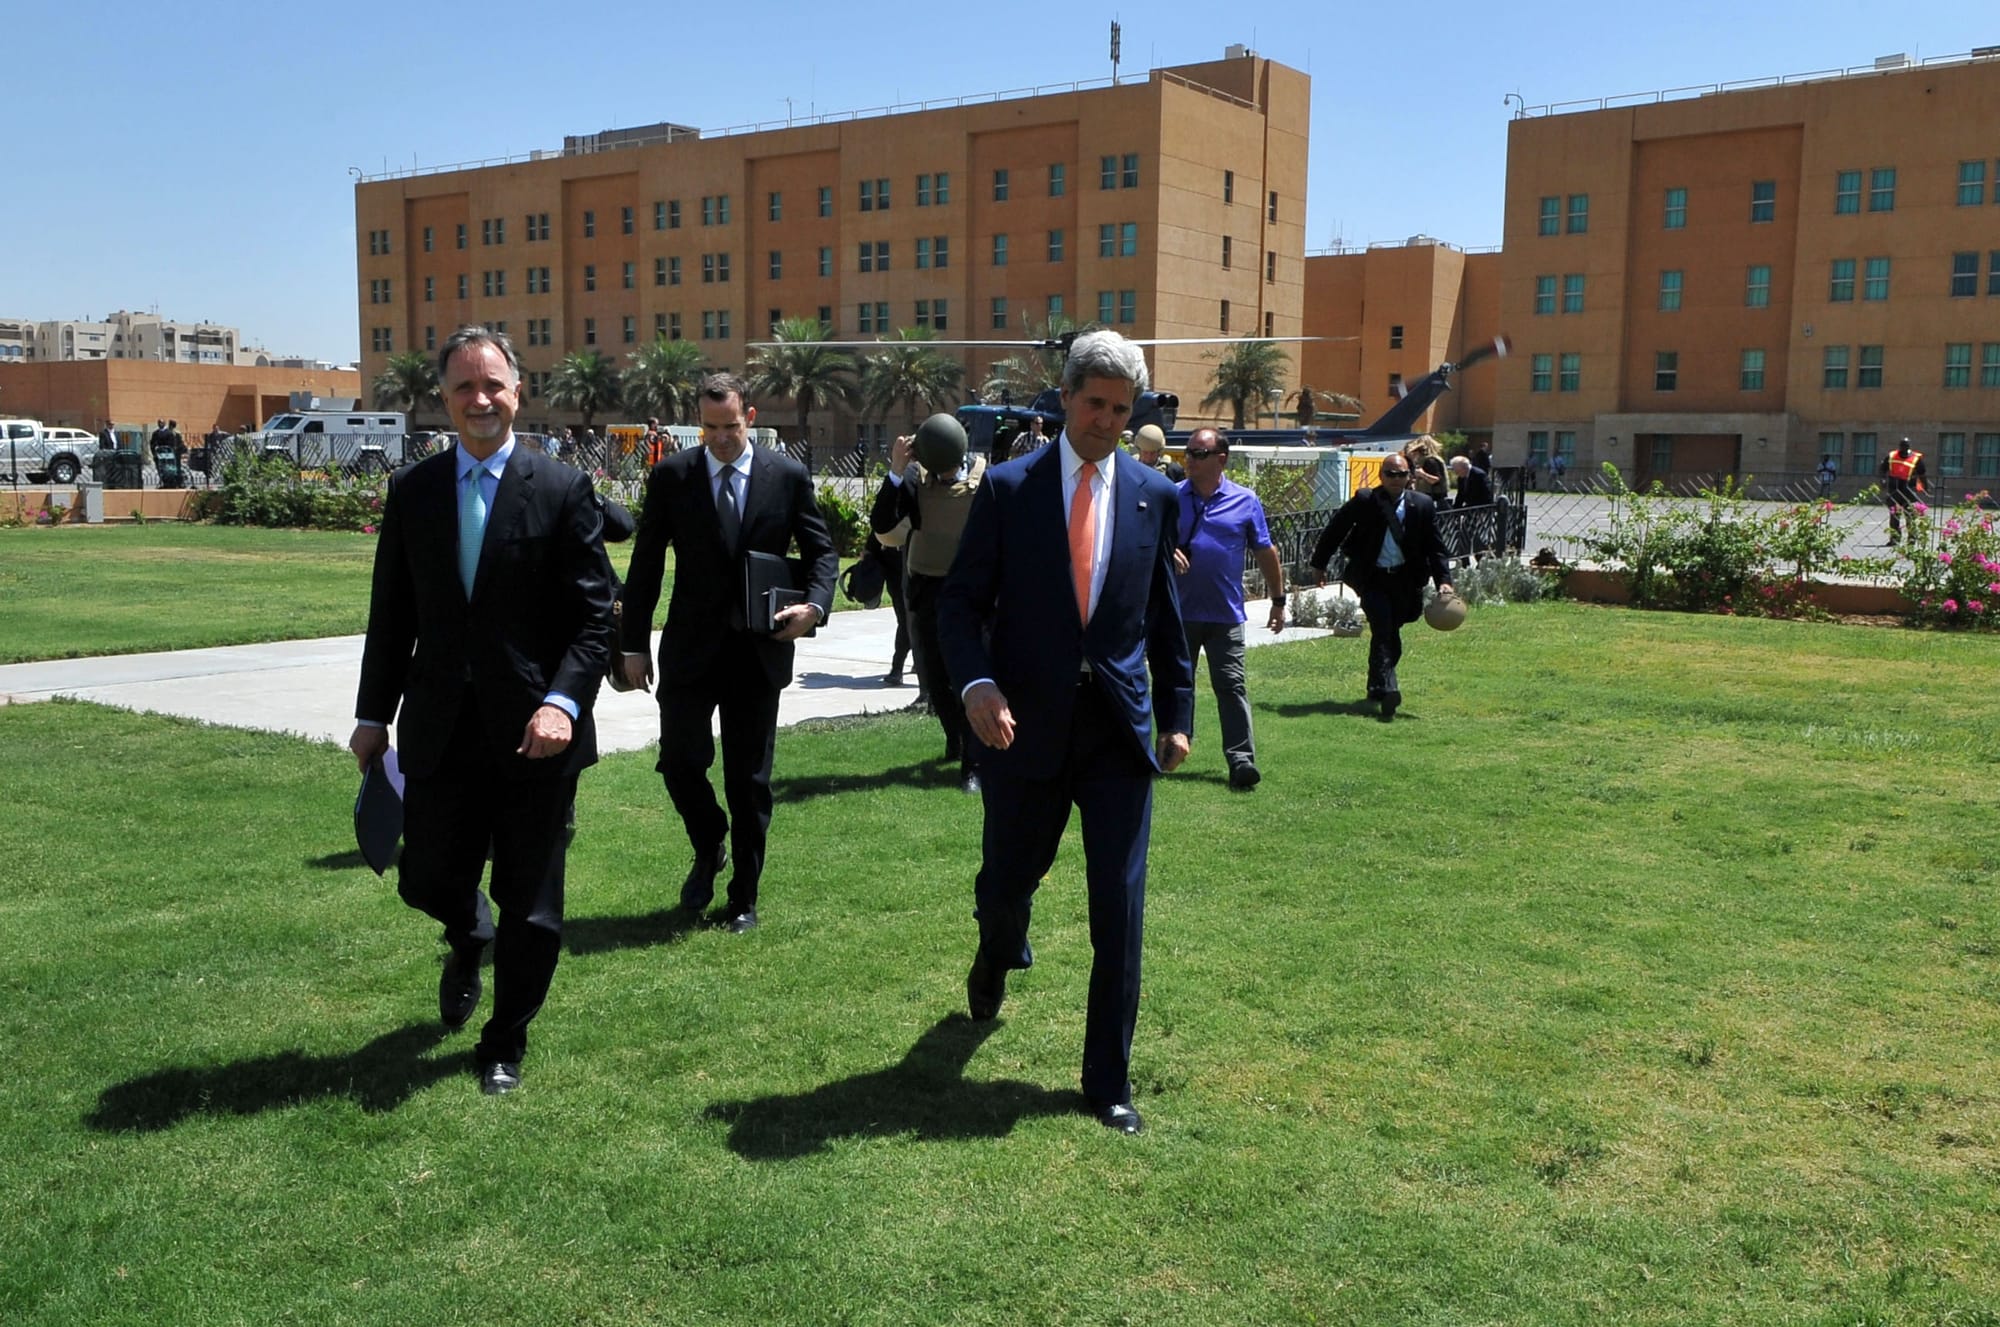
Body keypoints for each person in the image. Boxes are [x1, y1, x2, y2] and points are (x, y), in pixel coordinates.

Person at [938, 329, 1195, 1136]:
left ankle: (1106, 1081)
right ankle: (995, 950)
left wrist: (1179, 715)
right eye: (1095, 404)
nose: (1108, 421)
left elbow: (1164, 618)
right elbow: (958, 604)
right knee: (1007, 879)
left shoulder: (1156, 495)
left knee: (1119, 905)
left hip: (1119, 730)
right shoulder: (1010, 489)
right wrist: (978, 684)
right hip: (1023, 727)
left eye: (1122, 410)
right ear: (1064, 397)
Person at [348, 325, 616, 1096]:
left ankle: (504, 1041)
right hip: (439, 731)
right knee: (426, 876)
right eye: (464, 386)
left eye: (493, 383)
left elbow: (595, 618)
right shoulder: (415, 492)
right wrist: (373, 713)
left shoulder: (562, 489)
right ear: (444, 400)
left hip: (537, 738)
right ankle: (468, 935)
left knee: (532, 907)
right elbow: (391, 614)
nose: (481, 399)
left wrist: (563, 701)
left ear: (518, 390)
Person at [619, 372, 837, 934]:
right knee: (680, 763)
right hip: (690, 651)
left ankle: (744, 896)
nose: (718, 438)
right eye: (708, 427)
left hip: (757, 655)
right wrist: (633, 646)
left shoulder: (785, 477)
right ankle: (709, 840)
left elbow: (821, 553)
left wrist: (814, 607)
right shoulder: (672, 477)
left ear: (752, 418)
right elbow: (645, 567)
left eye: (730, 426)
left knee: (750, 781)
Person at [872, 417, 988, 792]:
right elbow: (883, 523)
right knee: (934, 677)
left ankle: (974, 764)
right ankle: (955, 738)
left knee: (967, 677)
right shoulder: (914, 480)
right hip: (925, 587)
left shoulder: (986, 479)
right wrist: (895, 471)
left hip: (969, 590)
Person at [1173, 428, 1285, 790]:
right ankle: (1172, 749)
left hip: (1225, 616)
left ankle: (1241, 762)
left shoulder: (1245, 500)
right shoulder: (1172, 497)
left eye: (1199, 453)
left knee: (1232, 686)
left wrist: (1278, 600)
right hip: (1180, 614)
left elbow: (1266, 552)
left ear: (1221, 458)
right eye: (1188, 452)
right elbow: (1145, 545)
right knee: (1177, 685)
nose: (1189, 458)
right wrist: (1164, 553)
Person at [1308, 453, 1453, 719]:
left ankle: (1376, 687)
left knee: (1390, 635)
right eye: (1390, 474)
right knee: (1383, 628)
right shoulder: (1365, 500)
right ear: (1381, 475)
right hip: (1372, 578)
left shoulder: (1422, 505)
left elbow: (1435, 547)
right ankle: (1388, 690)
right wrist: (1319, 564)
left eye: (1400, 474)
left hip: (1406, 581)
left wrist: (1444, 581)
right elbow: (1335, 530)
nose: (1395, 479)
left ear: (1410, 476)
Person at [1880, 439, 1926, 545]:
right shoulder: (1892, 456)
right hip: (1894, 489)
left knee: (1910, 515)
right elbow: (1883, 468)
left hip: (1909, 490)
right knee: (1894, 515)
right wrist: (1883, 479)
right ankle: (1895, 539)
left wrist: (1926, 488)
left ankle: (1912, 538)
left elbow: (1922, 474)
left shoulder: (1915, 458)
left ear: (1909, 446)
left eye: (1906, 445)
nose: (1904, 448)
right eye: (1902, 445)